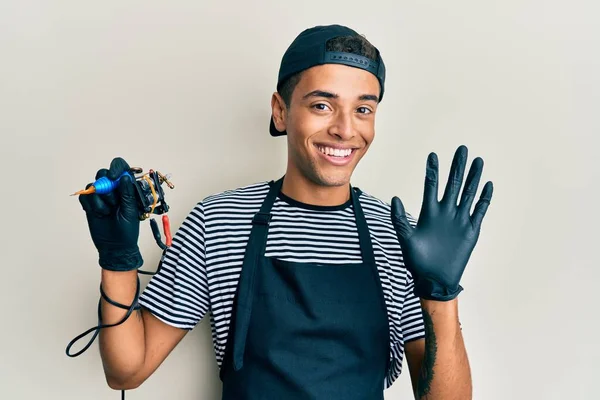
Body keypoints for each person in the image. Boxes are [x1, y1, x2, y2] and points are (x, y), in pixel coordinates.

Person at [78, 24, 493, 400]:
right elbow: (126, 372)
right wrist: (118, 261)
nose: (346, 129)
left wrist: (440, 294)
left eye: (363, 109)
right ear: (280, 110)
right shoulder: (219, 221)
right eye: (322, 105)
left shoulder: (398, 236)